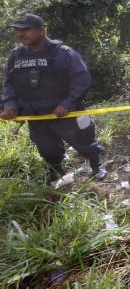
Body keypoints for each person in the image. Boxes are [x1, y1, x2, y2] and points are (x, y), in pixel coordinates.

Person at [0, 13, 107, 183]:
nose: (20, 34)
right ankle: (57, 171)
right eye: (17, 30)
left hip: (65, 111)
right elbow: (9, 84)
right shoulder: (16, 55)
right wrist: (10, 105)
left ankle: (96, 164)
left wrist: (68, 102)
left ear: (41, 30)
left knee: (83, 141)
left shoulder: (62, 52)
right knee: (47, 148)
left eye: (25, 30)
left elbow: (82, 78)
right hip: (34, 113)